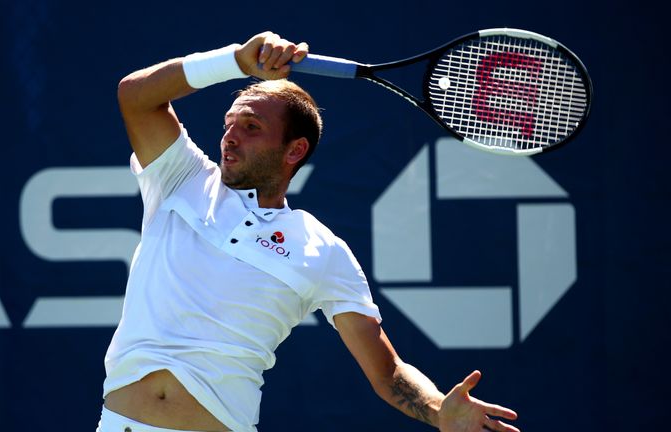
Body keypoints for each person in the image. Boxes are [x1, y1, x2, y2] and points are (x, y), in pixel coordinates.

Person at [98, 31, 521, 432]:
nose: (229, 138)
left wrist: (436, 410)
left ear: (294, 150)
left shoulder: (323, 251)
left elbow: (388, 373)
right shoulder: (180, 177)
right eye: (229, 124)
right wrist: (235, 60)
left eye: (251, 128)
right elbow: (134, 96)